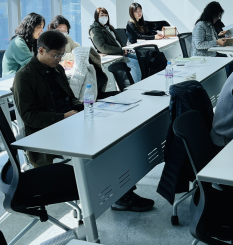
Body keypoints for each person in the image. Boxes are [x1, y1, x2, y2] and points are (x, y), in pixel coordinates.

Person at [13, 30, 154, 211]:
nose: (59, 59)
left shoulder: (56, 69)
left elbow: (69, 97)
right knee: (102, 146)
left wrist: (84, 107)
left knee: (114, 137)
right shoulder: (24, 77)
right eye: (56, 55)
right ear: (41, 51)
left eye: (62, 55)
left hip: (71, 120)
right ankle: (120, 196)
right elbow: (29, 116)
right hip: (48, 131)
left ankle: (122, 190)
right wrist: (62, 117)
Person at [89, 7, 142, 82]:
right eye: (102, 15)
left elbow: (119, 41)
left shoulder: (109, 28)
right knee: (135, 64)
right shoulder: (95, 29)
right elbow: (102, 47)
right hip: (113, 55)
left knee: (141, 59)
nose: (104, 17)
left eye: (106, 15)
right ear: (96, 16)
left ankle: (140, 81)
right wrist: (121, 50)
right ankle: (135, 87)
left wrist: (124, 49)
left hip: (121, 52)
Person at [2, 12, 45, 76]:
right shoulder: (18, 42)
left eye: (42, 28)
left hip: (24, 77)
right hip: (11, 80)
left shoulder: (33, 41)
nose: (42, 30)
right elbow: (33, 65)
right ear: (31, 27)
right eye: (39, 27)